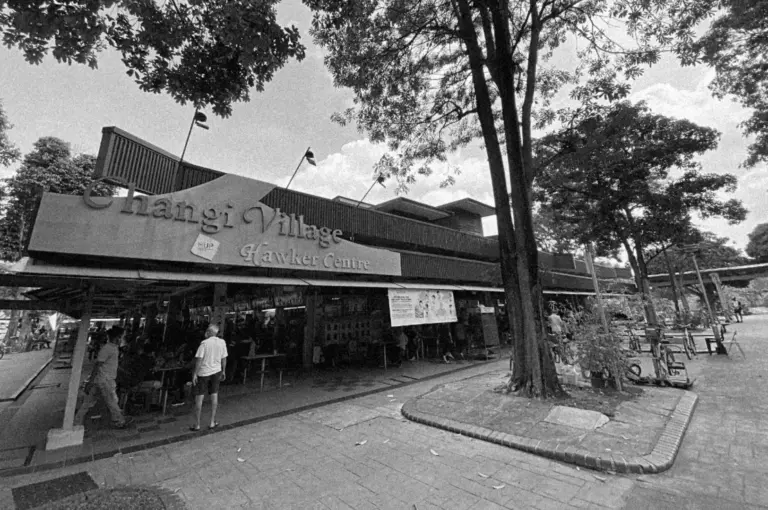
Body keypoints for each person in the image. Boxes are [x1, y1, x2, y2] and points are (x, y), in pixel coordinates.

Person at [76, 326, 131, 429]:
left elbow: (110, 364)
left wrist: (122, 371)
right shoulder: (108, 349)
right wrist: (90, 382)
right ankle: (119, 421)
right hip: (105, 381)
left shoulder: (113, 348)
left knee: (88, 402)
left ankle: (77, 421)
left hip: (101, 380)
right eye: (122, 337)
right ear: (117, 337)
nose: (123, 339)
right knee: (112, 401)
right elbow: (97, 365)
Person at [191, 324, 228, 431]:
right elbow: (224, 358)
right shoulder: (222, 342)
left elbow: (199, 360)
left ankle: (197, 424)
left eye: (207, 331)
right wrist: (224, 370)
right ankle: (212, 422)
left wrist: (195, 374)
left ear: (210, 332)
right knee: (214, 395)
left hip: (203, 373)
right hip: (216, 371)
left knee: (199, 397)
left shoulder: (204, 344)